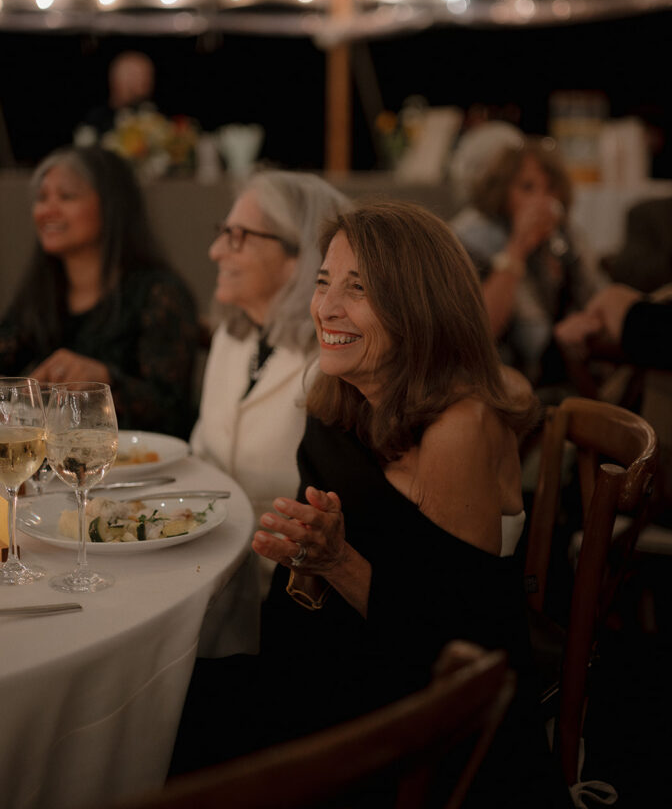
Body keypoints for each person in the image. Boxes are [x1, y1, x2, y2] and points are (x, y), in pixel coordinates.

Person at [172, 202, 565, 807]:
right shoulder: (343, 396)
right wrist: (312, 552)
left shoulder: (457, 427)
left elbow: (456, 649)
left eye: (359, 290)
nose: (325, 309)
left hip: (411, 738)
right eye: (324, 282)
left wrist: (337, 562)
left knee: (176, 732)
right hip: (329, 673)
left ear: (420, 305)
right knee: (163, 702)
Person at [190, 169, 350, 593]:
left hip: (282, 593)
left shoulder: (336, 362)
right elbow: (201, 452)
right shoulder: (234, 333)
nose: (213, 250)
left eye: (237, 235)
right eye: (222, 232)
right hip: (205, 568)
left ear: (298, 256)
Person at [0, 145, 198, 437]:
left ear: (111, 206)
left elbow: (172, 408)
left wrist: (106, 379)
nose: (47, 210)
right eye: (42, 198)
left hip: (143, 469)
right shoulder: (41, 290)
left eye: (66, 196)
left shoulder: (158, 292)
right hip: (62, 463)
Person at [451, 134, 603, 390]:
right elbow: (477, 331)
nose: (542, 201)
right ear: (502, 190)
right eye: (528, 188)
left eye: (550, 188)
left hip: (565, 375)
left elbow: (594, 292)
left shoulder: (566, 235)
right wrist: (517, 248)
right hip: (501, 382)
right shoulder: (471, 239)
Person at [77, 50, 157, 139]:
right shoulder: (96, 121)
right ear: (116, 80)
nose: (145, 82)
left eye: (148, 76)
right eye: (136, 76)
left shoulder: (153, 118)